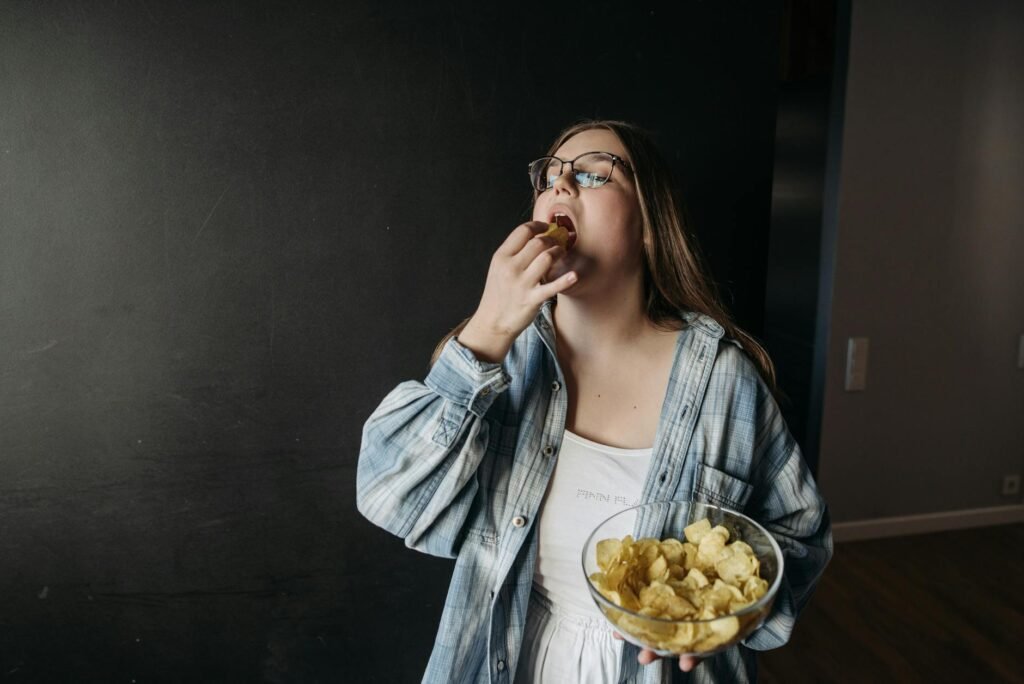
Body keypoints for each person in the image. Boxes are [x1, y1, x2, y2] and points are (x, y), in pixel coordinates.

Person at [356, 120, 832, 683]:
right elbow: (389, 498)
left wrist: (723, 617)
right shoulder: (497, 359)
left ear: (649, 225)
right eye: (549, 176)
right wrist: (488, 327)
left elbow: (799, 535)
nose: (560, 185)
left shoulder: (725, 380)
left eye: (591, 174)